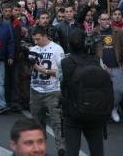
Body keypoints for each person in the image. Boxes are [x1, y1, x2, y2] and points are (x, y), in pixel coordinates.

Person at [61, 29, 107, 156]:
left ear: (69, 44)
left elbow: (61, 83)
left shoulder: (64, 62)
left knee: (72, 150)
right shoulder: (97, 60)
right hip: (94, 110)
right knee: (97, 150)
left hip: (72, 112)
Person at [29, 27, 65, 155]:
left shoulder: (57, 49)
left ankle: (61, 148)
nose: (36, 42)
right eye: (34, 39)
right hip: (35, 90)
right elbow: (29, 70)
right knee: (37, 124)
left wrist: (45, 70)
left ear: (45, 36)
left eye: (38, 39)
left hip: (53, 91)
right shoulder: (33, 49)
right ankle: (40, 150)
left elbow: (62, 71)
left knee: (57, 122)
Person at [92, 12, 123, 123]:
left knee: (119, 90)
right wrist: (99, 64)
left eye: (107, 19)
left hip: (116, 66)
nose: (106, 21)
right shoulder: (93, 32)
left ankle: (114, 108)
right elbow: (90, 51)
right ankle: (104, 111)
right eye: (103, 19)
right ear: (99, 20)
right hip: (100, 68)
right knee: (101, 91)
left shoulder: (119, 31)